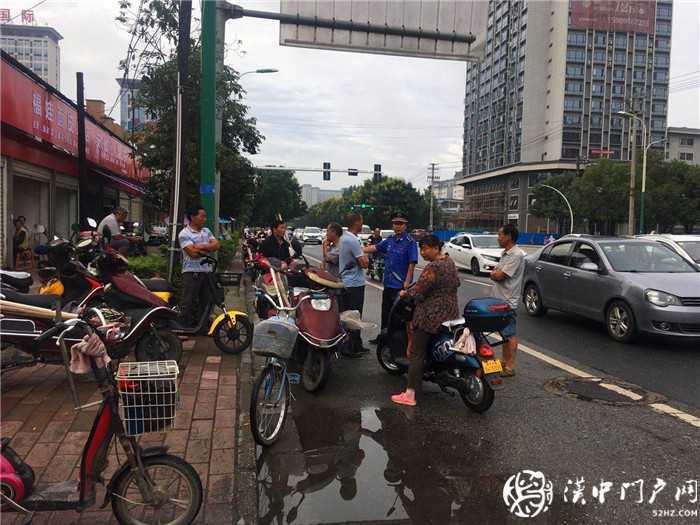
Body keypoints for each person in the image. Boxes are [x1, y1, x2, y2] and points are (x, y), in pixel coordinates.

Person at [391, 235, 460, 406]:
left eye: (425, 248)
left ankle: (410, 394)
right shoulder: (449, 262)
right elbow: (456, 283)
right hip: (451, 311)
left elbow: (419, 289)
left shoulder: (433, 266)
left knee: (416, 353)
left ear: (436, 248)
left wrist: (405, 293)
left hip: (431, 314)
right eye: (421, 249)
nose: (422, 252)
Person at [364, 212, 417, 343]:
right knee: (385, 313)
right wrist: (358, 249)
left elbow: (412, 264)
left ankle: (396, 340)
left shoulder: (410, 242)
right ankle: (383, 337)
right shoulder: (389, 240)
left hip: (400, 286)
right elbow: (375, 248)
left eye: (400, 224)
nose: (398, 226)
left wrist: (407, 282)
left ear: (405, 225)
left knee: (398, 316)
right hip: (388, 284)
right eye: (395, 223)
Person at [489, 224, 525, 377]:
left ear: (509, 236)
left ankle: (510, 366)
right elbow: (495, 272)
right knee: (503, 334)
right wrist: (494, 273)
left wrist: (494, 274)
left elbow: (499, 275)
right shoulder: (506, 253)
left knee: (510, 334)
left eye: (500, 235)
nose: (498, 238)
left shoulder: (516, 255)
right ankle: (503, 362)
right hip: (499, 300)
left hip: (508, 301)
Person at [178, 204, 220, 328]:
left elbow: (216, 245)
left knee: (206, 301)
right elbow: (193, 254)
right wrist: (208, 247)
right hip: (191, 272)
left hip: (207, 271)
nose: (204, 219)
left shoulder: (206, 231)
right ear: (193, 217)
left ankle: (203, 327)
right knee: (188, 301)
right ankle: (183, 328)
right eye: (202, 216)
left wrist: (200, 246)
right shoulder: (184, 233)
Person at [338, 212, 369, 357]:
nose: (362, 224)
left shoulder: (346, 238)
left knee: (354, 315)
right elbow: (364, 263)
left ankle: (356, 344)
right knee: (353, 316)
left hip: (350, 282)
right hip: (353, 283)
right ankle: (348, 347)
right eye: (361, 221)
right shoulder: (352, 240)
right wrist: (365, 257)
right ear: (357, 222)